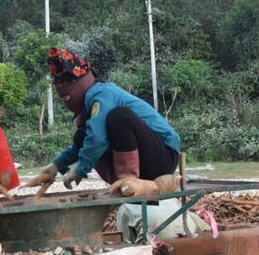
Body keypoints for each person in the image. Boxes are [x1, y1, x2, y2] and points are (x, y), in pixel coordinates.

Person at [31, 48, 181, 189]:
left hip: (164, 157)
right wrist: (55, 166)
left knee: (119, 117)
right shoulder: (89, 108)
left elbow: (98, 138)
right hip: (145, 160)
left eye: (67, 83)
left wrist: (80, 168)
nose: (62, 88)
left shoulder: (103, 94)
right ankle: (120, 181)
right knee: (82, 135)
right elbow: (85, 142)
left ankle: (127, 179)